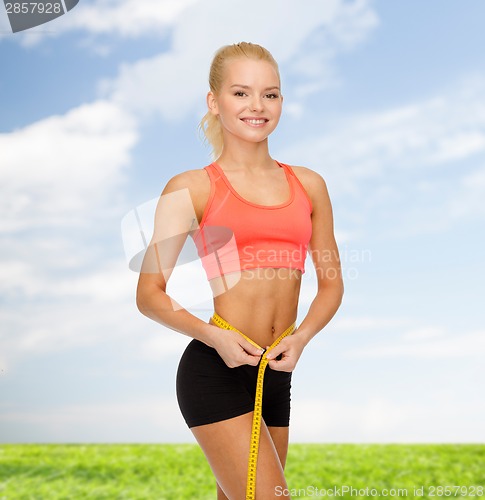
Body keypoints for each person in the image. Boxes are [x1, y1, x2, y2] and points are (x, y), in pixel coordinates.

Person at [136, 41, 344, 500]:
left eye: (270, 94)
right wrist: (216, 338)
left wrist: (302, 336)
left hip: (277, 375)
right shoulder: (190, 188)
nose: (257, 106)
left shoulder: (309, 185)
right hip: (216, 369)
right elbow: (149, 293)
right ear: (215, 102)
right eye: (241, 93)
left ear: (281, 102)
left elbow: (331, 284)